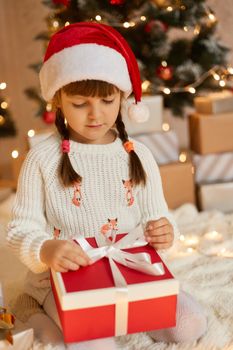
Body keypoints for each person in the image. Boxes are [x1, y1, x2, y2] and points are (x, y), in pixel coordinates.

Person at [7, 22, 207, 349]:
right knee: (95, 341)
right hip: (67, 279)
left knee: (189, 325)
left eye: (107, 100)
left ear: (122, 97)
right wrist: (45, 249)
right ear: (58, 99)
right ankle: (34, 307)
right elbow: (19, 228)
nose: (95, 115)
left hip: (129, 271)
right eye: (80, 103)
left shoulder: (137, 154)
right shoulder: (42, 158)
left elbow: (159, 215)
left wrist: (165, 230)